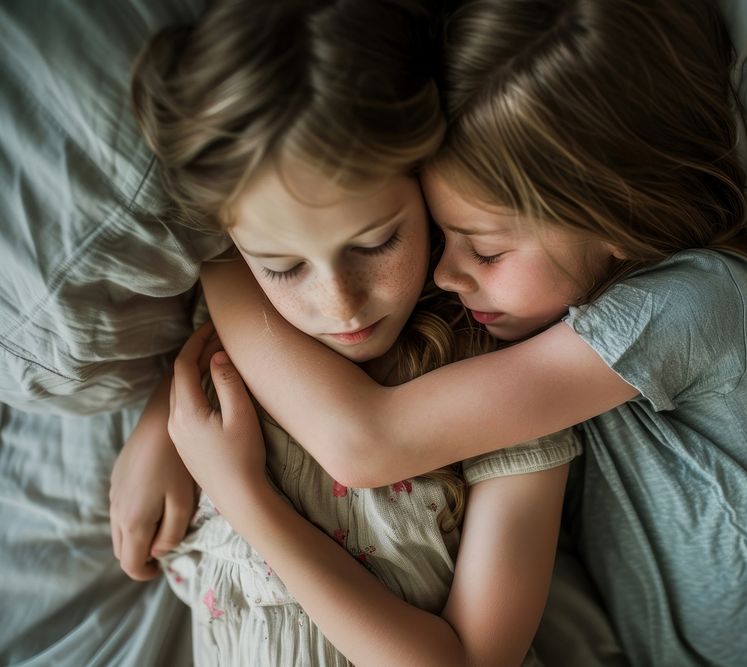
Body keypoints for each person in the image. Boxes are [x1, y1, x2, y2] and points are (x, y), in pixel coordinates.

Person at [191, 0, 747, 664]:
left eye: (485, 249)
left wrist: (223, 266)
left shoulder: (695, 304)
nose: (447, 276)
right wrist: (168, 430)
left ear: (612, 215)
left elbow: (367, 440)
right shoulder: (544, 312)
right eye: (443, 238)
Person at [114, 1, 587, 665]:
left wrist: (243, 495)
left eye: (377, 241)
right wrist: (161, 419)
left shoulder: (498, 376)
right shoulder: (231, 326)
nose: (339, 303)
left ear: (426, 178)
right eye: (281, 267)